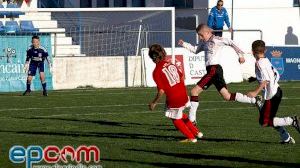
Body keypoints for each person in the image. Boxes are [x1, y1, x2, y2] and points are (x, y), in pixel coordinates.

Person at [178, 24, 261, 124]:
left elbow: (231, 42)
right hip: (213, 71)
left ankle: (191, 120)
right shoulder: (204, 43)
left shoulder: (216, 39)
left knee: (194, 92)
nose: (200, 37)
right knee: (227, 96)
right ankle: (254, 100)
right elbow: (195, 50)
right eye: (198, 35)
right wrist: (184, 44)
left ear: (208, 32)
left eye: (201, 35)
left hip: (214, 69)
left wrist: (240, 55)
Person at [246, 40, 300, 144]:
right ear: (265, 50)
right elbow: (275, 74)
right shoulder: (266, 60)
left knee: (265, 122)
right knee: (269, 120)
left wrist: (255, 92)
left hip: (272, 95)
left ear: (252, 52)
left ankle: (292, 121)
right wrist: (255, 78)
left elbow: (266, 80)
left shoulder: (259, 63)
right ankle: (286, 138)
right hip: (276, 92)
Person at [148, 44, 203, 143]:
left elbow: (161, 90)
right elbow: (182, 77)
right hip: (183, 93)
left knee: (174, 118)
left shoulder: (156, 71)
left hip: (174, 98)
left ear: (152, 58)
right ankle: (197, 132)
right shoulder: (171, 64)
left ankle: (191, 138)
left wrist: (154, 103)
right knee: (180, 114)